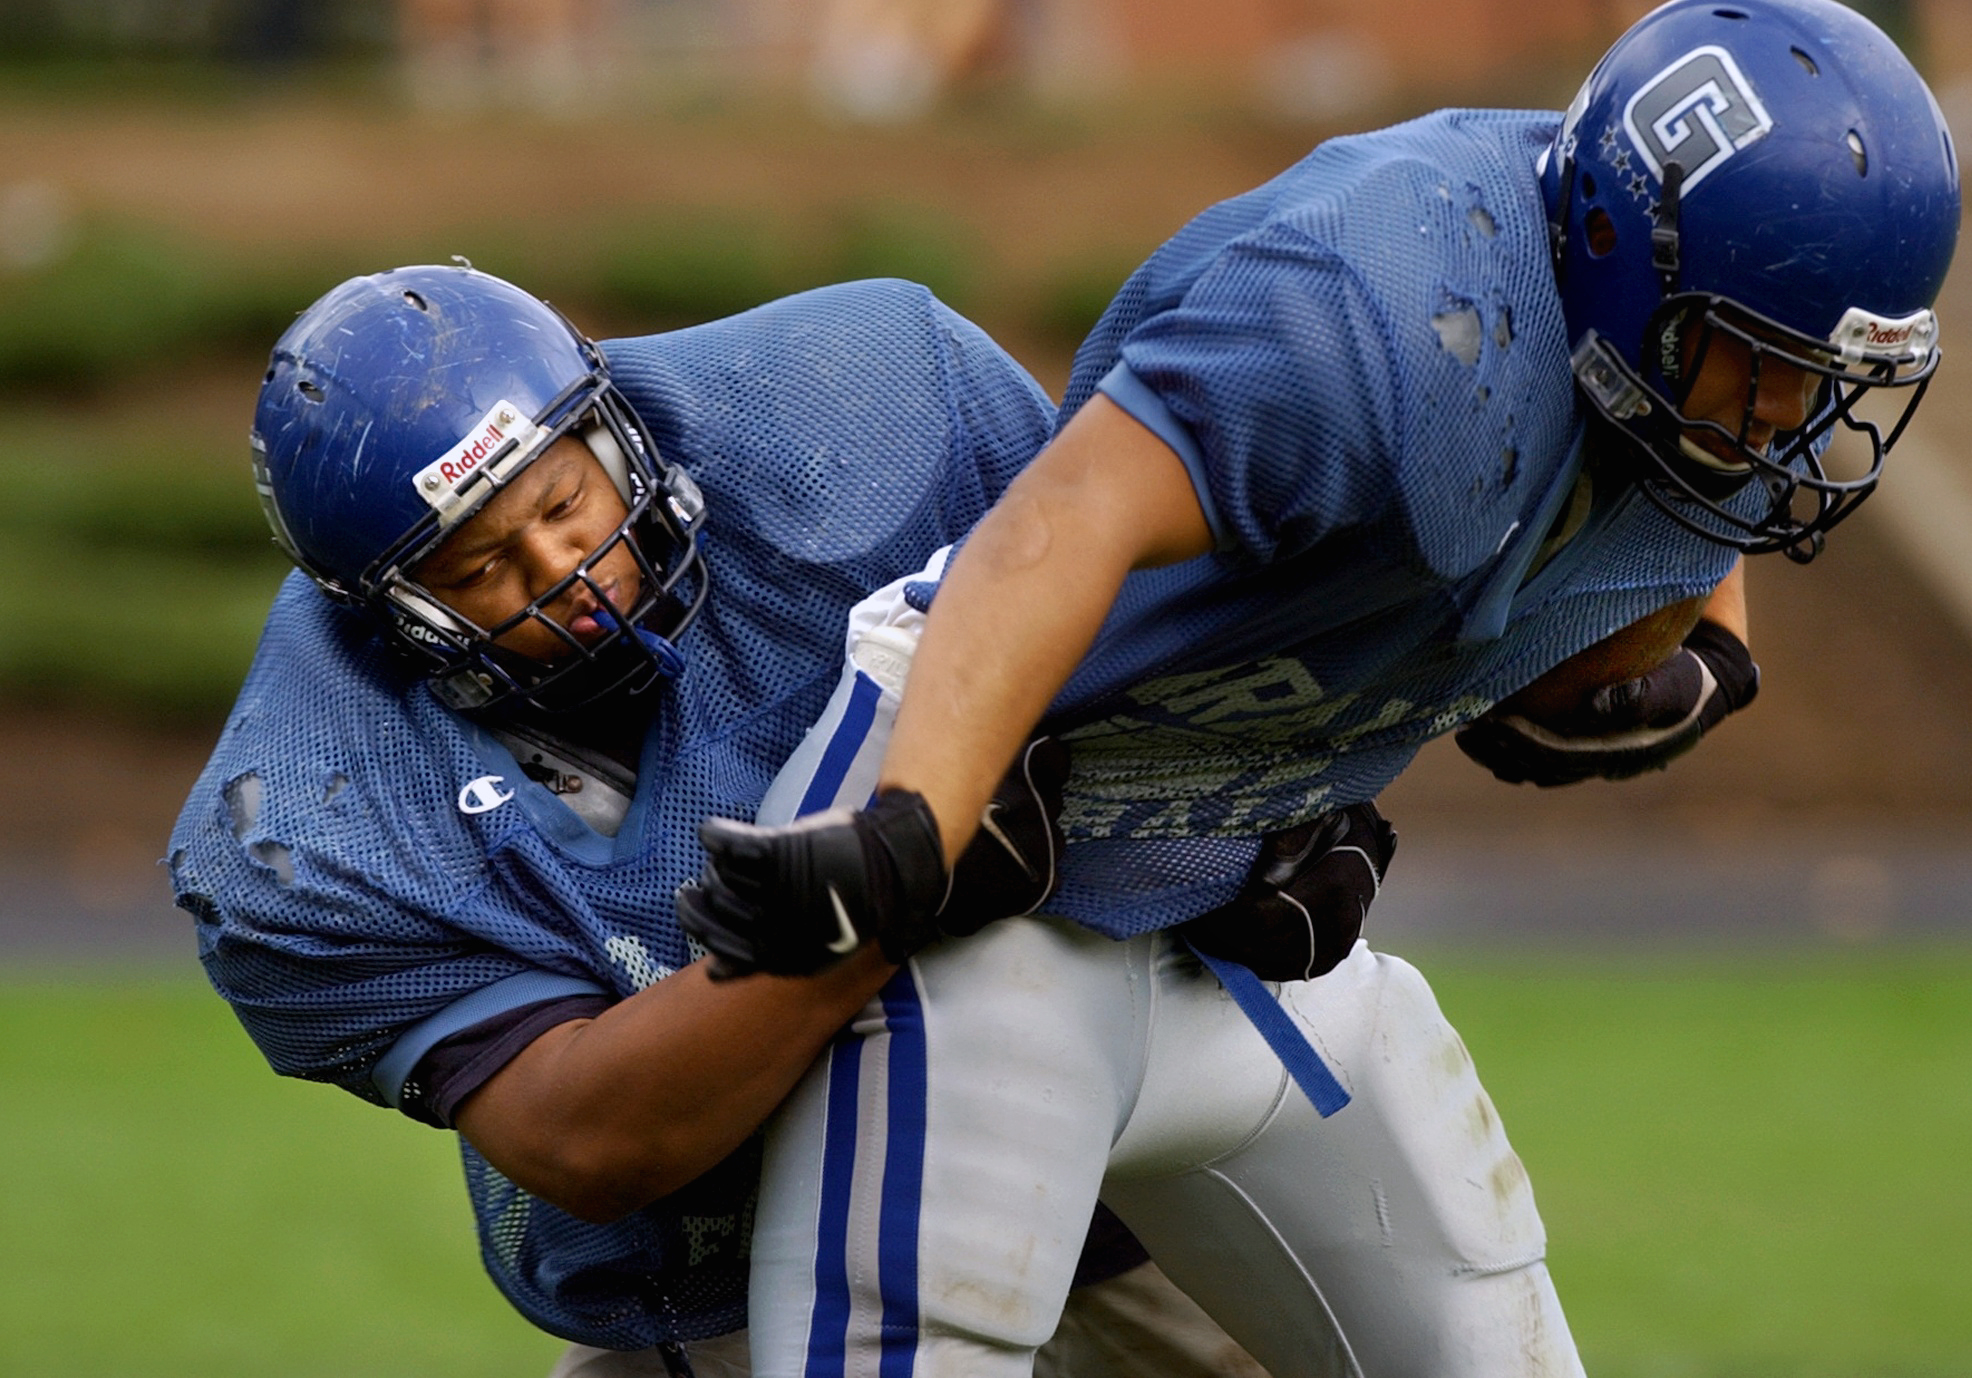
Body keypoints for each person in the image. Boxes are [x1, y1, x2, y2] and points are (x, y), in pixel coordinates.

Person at [678, 2, 1960, 1375]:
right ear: (1612, 251)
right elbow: (1059, 521)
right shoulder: (1381, 311)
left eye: (1833, 376)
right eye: (1763, 364)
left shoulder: (1688, 381)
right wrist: (913, 820)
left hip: (1229, 887)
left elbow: (1693, 534)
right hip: (1002, 836)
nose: (1791, 422)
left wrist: (1684, 658)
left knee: (1497, 1337)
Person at [170, 260, 1312, 1376]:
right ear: (394, 615)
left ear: (614, 433)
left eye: (565, 502)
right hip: (730, 1261)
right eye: (479, 568)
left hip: (1120, 1165)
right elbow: (593, 1140)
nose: (563, 566)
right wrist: (894, 891)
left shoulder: (858, 402)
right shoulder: (307, 818)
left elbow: (1149, 623)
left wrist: (1286, 800)